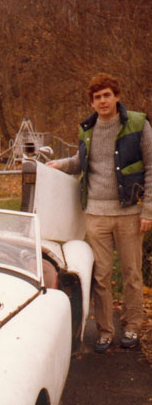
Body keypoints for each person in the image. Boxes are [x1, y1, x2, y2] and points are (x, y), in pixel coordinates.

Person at [48, 73, 152, 353]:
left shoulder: (138, 124)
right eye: (97, 97)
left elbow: (151, 167)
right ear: (92, 103)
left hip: (130, 213)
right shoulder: (87, 129)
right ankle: (105, 331)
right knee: (101, 276)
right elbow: (81, 162)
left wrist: (148, 211)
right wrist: (60, 164)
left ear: (117, 97)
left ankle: (132, 326)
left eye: (107, 95)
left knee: (131, 273)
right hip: (95, 215)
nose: (102, 101)